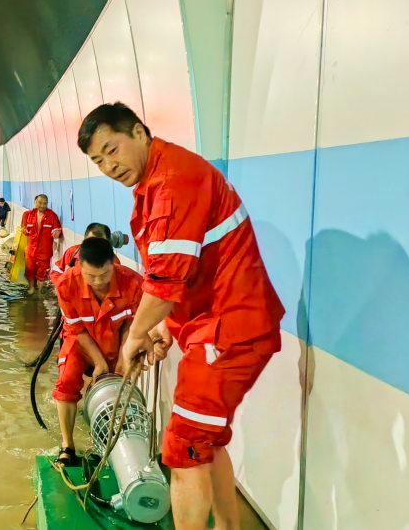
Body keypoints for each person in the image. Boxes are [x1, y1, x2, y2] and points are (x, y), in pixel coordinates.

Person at [78, 102, 285, 530]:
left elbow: (166, 280)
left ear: (139, 131)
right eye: (98, 160)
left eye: (112, 149)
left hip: (229, 330)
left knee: (182, 446)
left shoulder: (173, 182)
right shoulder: (156, 181)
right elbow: (180, 274)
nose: (108, 166)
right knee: (205, 442)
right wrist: (164, 326)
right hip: (216, 326)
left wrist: (136, 334)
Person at [52, 237, 152, 465]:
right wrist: (99, 363)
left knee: (121, 386)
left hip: (118, 341)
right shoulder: (66, 284)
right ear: (80, 266)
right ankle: (67, 446)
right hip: (81, 341)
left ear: (113, 264)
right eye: (90, 276)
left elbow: (132, 326)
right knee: (66, 381)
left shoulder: (133, 283)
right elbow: (76, 329)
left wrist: (124, 358)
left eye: (104, 275)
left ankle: (114, 443)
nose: (98, 282)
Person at [50, 222, 119, 285]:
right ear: (84, 240)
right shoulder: (73, 252)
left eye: (100, 241)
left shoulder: (114, 262)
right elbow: (56, 271)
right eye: (90, 241)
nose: (94, 245)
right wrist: (64, 283)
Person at [21, 194, 61, 295]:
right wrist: (24, 230)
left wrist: (57, 232)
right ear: (35, 202)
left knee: (42, 273)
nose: (42, 205)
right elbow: (23, 228)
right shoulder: (28, 215)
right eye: (40, 203)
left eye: (45, 203)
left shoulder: (52, 216)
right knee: (29, 270)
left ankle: (39, 291)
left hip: (45, 252)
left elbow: (57, 230)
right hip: (31, 250)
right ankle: (31, 288)